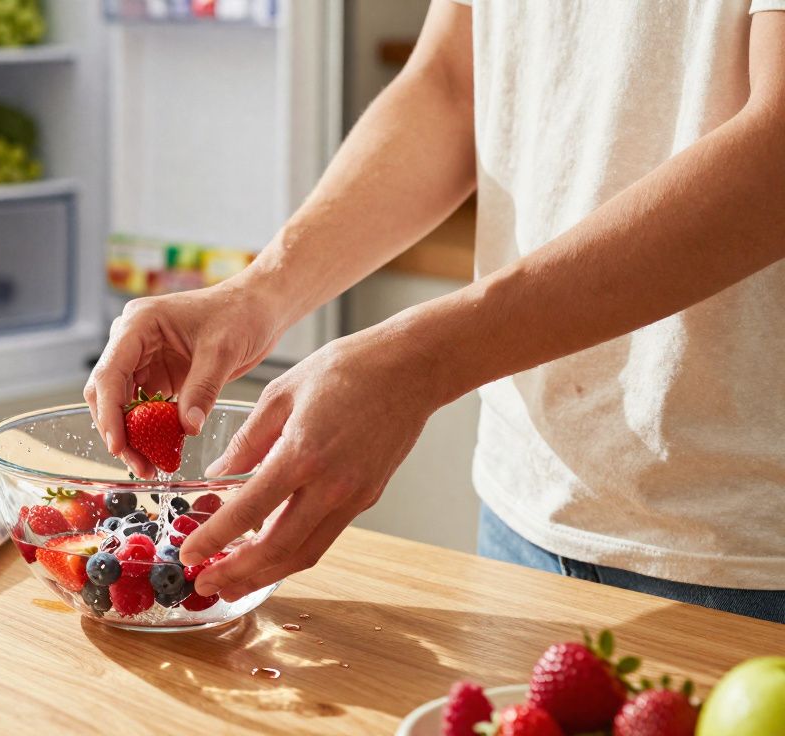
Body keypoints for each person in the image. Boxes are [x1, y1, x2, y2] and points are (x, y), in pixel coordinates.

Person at [85, 0, 785, 623]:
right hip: (527, 505)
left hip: (745, 546)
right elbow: (454, 85)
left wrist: (424, 360)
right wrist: (255, 294)